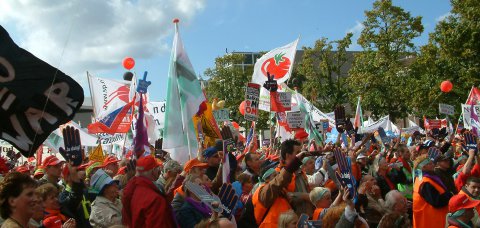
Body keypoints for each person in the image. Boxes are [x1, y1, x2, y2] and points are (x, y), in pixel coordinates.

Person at [122, 156, 176, 227]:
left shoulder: (133, 191)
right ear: (153, 170)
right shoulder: (154, 198)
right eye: (158, 168)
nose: (160, 171)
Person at [413, 154, 452, 228]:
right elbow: (437, 202)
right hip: (430, 222)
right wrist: (449, 195)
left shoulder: (425, 178)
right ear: (423, 167)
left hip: (433, 220)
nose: (433, 164)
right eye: (430, 163)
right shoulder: (425, 182)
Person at [58, 163, 91, 228]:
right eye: (77, 171)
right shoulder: (63, 197)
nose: (82, 172)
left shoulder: (85, 191)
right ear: (67, 177)